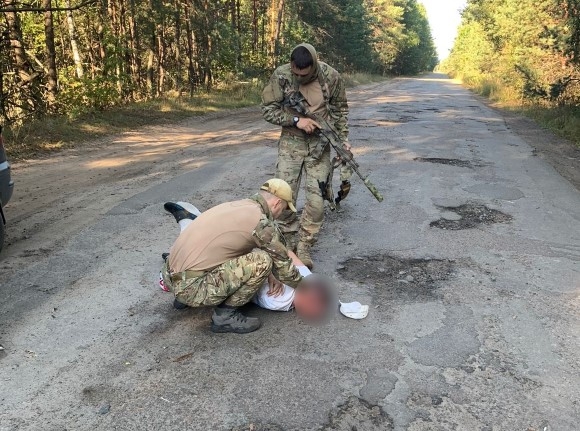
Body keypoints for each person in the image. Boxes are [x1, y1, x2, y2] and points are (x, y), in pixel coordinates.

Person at [160, 179, 303, 334]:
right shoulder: (261, 222)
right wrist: (305, 286)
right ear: (277, 203)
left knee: (232, 249)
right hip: (190, 289)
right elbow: (284, 268)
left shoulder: (236, 206)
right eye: (283, 209)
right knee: (262, 261)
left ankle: (183, 298)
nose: (281, 213)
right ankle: (225, 317)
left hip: (169, 275)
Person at [162, 201, 333, 320]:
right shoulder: (306, 282)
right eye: (313, 304)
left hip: (231, 269)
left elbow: (241, 285)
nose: (312, 312)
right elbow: (289, 255)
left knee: (224, 246)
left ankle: (189, 228)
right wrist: (276, 261)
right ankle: (190, 227)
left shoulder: (280, 301)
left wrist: (271, 271)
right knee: (233, 241)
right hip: (238, 262)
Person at [261, 43, 350, 269]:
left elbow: (340, 110)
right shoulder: (281, 75)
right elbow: (268, 110)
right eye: (296, 73)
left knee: (317, 203)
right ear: (291, 65)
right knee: (281, 198)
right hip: (291, 143)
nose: (299, 77)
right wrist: (296, 120)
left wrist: (343, 140)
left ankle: (305, 245)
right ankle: (289, 244)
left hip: (320, 146)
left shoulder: (331, 76)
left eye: (304, 74)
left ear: (313, 66)